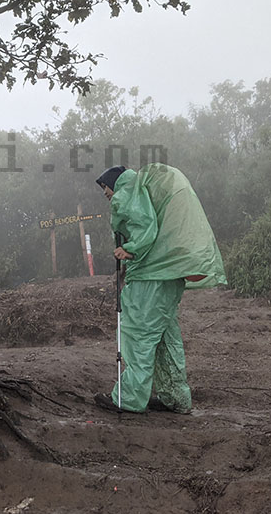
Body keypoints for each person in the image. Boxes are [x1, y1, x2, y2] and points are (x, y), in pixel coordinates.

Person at [93, 163, 227, 414]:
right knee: (165, 339)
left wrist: (130, 249)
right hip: (168, 276)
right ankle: (175, 398)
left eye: (106, 187)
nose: (105, 194)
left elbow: (145, 227)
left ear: (117, 183)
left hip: (150, 279)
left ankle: (128, 399)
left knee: (137, 334)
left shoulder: (127, 193)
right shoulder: (144, 189)